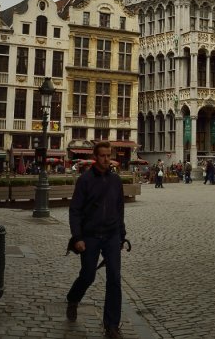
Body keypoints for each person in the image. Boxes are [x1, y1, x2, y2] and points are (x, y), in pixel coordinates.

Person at [66, 140, 127, 338]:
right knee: (88, 275)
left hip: (111, 235)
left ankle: (111, 325)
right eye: (102, 155)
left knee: (115, 279)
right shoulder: (85, 180)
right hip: (90, 235)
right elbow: (75, 211)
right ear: (95, 156)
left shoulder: (115, 181)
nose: (106, 159)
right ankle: (73, 298)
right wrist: (77, 237)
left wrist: (121, 235)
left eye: (109, 155)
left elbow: (119, 209)